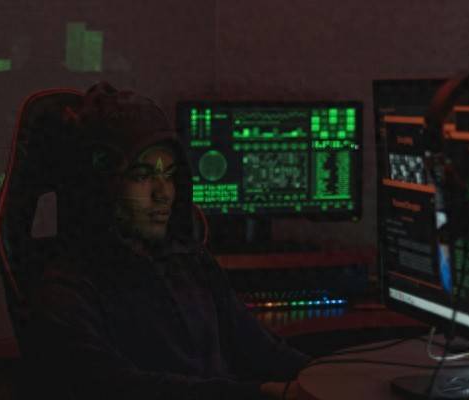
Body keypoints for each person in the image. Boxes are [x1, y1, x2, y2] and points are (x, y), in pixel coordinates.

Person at [25, 82, 311, 400]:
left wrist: (332, 378)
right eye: (142, 175)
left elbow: (261, 349)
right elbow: (114, 388)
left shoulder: (189, 261)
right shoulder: (67, 291)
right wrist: (267, 394)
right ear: (100, 186)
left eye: (170, 175)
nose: (163, 193)